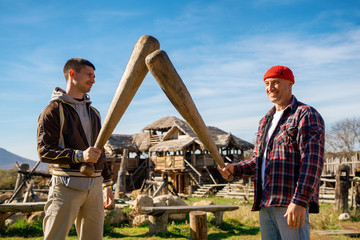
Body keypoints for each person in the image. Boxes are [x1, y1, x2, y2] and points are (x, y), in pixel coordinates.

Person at [218, 65, 324, 240]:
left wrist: (299, 200)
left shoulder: (305, 114)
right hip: (266, 203)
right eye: (267, 83)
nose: (270, 88)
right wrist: (234, 169)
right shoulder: (265, 120)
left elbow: (312, 161)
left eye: (276, 83)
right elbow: (258, 160)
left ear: (290, 84)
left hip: (289, 203)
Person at [37, 58, 114, 240]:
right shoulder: (53, 110)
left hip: (95, 186)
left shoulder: (94, 113)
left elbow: (99, 151)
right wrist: (80, 155)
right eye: (89, 75)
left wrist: (107, 184)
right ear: (72, 74)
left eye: (94, 76)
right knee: (54, 237)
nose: (93, 80)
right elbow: (44, 151)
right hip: (66, 186)